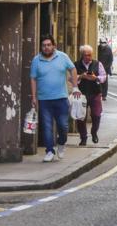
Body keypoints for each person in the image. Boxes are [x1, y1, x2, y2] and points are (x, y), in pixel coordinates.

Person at [30, 35, 81, 163]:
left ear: (54, 46)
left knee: (63, 126)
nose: (46, 47)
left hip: (61, 98)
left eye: (48, 45)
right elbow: (33, 79)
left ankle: (61, 144)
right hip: (44, 100)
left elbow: (73, 69)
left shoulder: (62, 57)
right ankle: (49, 151)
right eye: (44, 45)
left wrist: (75, 87)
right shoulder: (36, 60)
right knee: (47, 127)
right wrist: (34, 97)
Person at [75, 45, 107, 146]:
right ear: (82, 55)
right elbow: (71, 78)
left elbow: (104, 77)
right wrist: (81, 76)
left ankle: (94, 132)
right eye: (86, 55)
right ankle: (83, 137)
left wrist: (96, 78)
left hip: (95, 93)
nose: (88, 57)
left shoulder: (98, 64)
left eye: (90, 55)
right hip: (81, 94)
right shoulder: (76, 64)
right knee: (81, 117)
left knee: (96, 115)